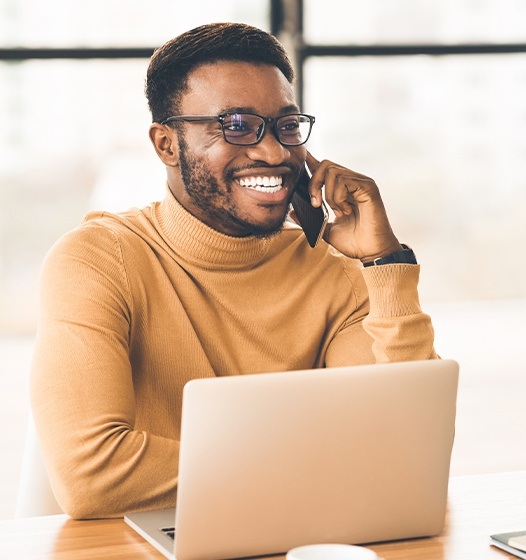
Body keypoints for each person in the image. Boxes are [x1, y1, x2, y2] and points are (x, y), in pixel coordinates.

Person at [30, 22, 438, 520]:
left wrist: (384, 262)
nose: (272, 153)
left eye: (286, 126)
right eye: (236, 125)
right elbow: (92, 476)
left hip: (300, 536)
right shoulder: (98, 260)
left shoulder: (334, 269)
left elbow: (409, 449)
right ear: (166, 144)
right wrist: (326, 464)